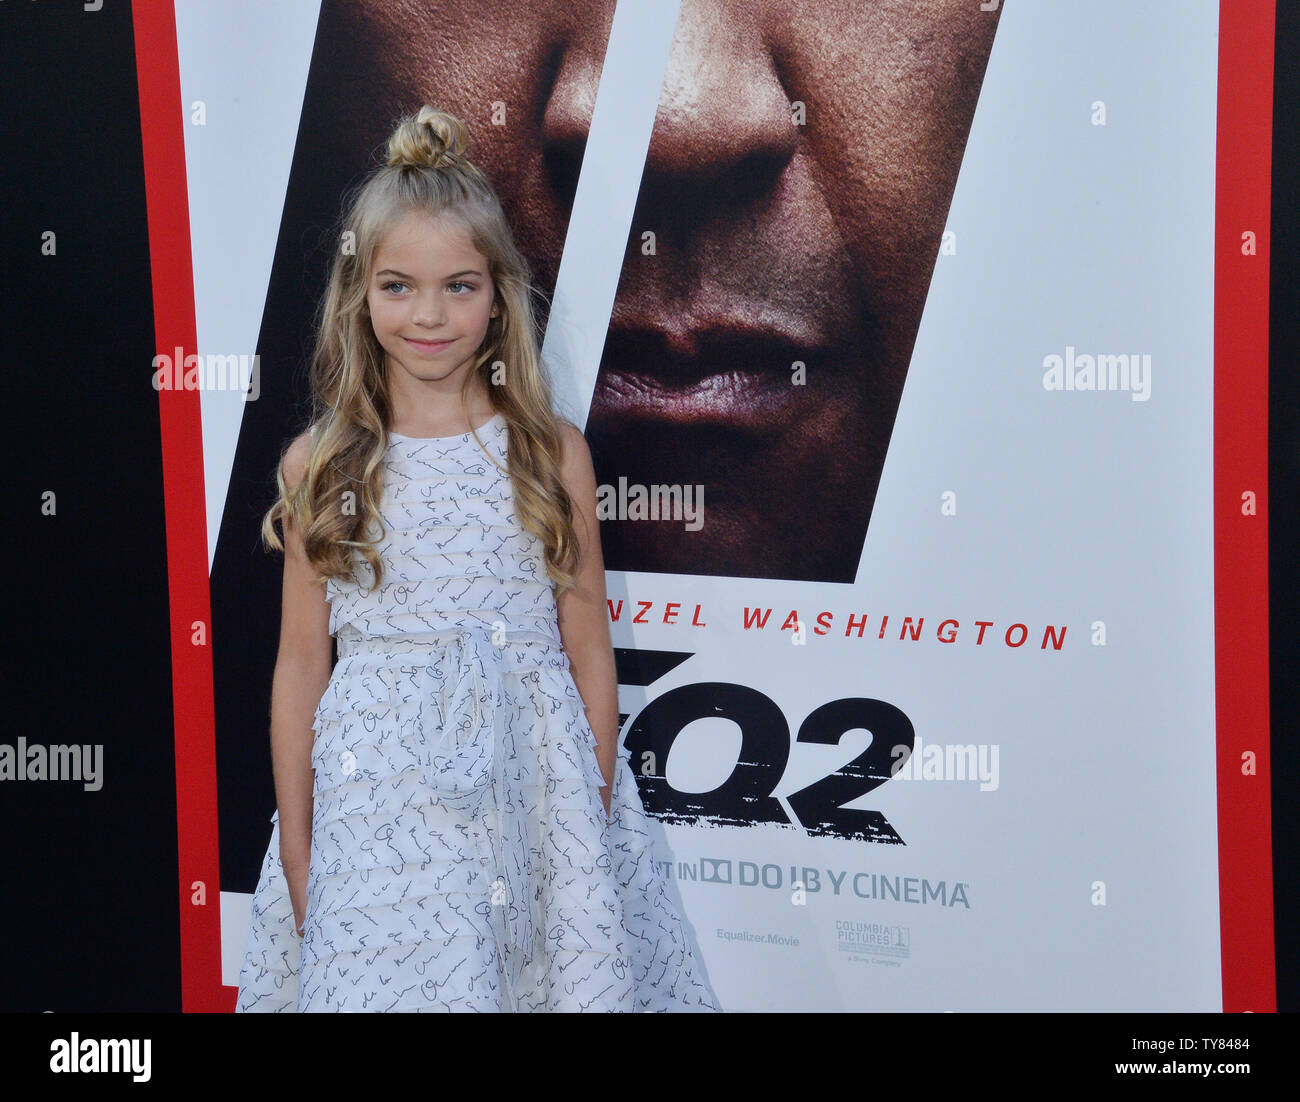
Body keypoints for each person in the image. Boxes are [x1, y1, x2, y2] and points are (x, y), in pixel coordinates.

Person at [235, 106, 720, 1013]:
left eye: (459, 286)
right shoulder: (322, 462)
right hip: (376, 808)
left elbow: (588, 650)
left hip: (534, 796)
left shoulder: (548, 453)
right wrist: (300, 854)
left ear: (500, 293)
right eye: (398, 286)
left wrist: (594, 822)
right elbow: (302, 665)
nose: (429, 314)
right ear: (360, 293)